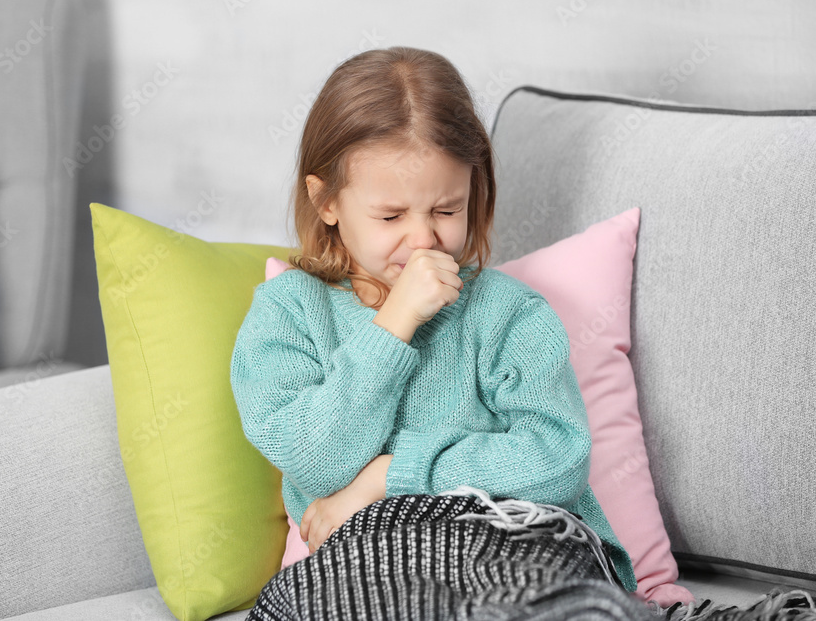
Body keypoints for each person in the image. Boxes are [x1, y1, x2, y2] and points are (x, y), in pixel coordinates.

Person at [229, 45, 637, 593]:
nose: (423, 239)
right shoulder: (288, 313)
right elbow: (316, 462)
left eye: (447, 210)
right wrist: (393, 324)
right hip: (376, 568)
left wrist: (387, 476)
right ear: (326, 201)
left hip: (514, 549)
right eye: (391, 216)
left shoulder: (508, 313)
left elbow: (557, 460)